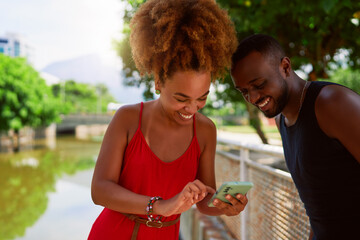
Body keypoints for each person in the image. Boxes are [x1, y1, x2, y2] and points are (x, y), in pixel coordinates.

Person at [88, 1, 248, 239]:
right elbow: (100, 190)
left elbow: (204, 202)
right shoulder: (127, 118)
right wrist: (161, 206)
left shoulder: (205, 131)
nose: (192, 108)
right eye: (182, 98)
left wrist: (224, 205)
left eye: (201, 98)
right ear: (159, 83)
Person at [230, 34, 360, 240]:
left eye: (259, 84)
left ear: (285, 67)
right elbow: (319, 208)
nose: (252, 98)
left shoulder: (332, 103)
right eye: (244, 91)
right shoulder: (282, 119)